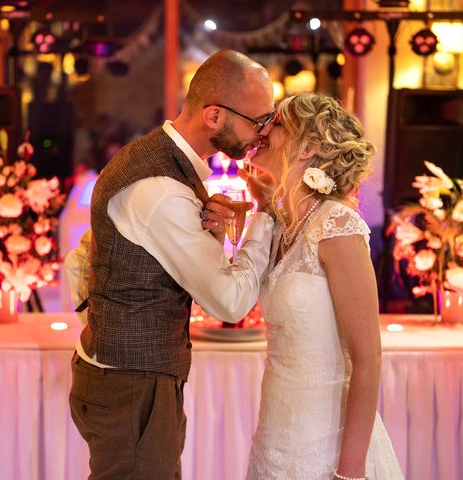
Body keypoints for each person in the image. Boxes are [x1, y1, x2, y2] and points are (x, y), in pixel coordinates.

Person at [66, 49, 277, 479]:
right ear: (214, 116)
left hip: (128, 374)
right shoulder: (162, 189)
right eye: (257, 121)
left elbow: (106, 258)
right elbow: (230, 303)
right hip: (133, 384)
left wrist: (212, 236)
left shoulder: (160, 162)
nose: (262, 134)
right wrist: (265, 216)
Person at [207, 94, 404, 479]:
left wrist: (349, 471)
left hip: (327, 447)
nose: (263, 129)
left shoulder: (337, 226)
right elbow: (234, 298)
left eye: (277, 123)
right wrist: (253, 215)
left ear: (310, 147)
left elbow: (368, 358)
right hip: (277, 436)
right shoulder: (282, 224)